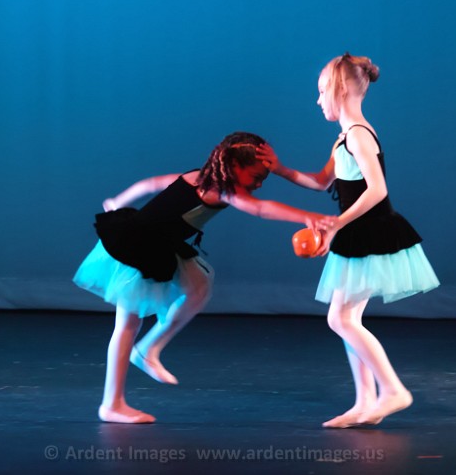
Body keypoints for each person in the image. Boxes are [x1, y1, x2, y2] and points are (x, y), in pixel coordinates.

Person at [73, 132, 335, 424]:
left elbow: (151, 184)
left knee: (198, 285)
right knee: (128, 324)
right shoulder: (222, 190)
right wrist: (306, 216)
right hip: (138, 247)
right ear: (234, 166)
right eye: (256, 177)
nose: (259, 184)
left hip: (159, 244)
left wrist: (118, 200)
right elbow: (261, 209)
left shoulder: (197, 176)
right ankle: (113, 402)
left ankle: (147, 350)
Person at [258, 53, 440, 428]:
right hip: (357, 232)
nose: (317, 100)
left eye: (321, 91)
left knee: (340, 318)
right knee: (347, 318)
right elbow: (321, 182)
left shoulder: (357, 134)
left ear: (339, 89)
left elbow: (377, 190)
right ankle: (364, 402)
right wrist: (278, 169)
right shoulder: (344, 137)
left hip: (370, 231)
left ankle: (393, 391)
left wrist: (336, 224)